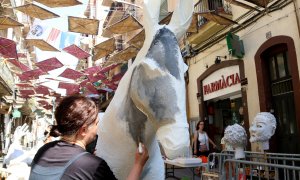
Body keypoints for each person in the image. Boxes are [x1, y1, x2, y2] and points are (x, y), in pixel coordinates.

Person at [29, 95, 149, 180]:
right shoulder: (91, 164)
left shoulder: (44, 150)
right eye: (97, 123)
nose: (98, 128)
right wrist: (139, 164)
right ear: (84, 130)